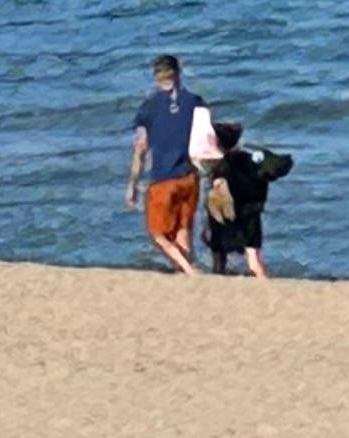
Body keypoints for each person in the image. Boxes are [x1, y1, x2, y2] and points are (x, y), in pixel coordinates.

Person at [124, 51, 204, 277]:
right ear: (179, 73)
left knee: (157, 233)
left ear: (156, 76)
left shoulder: (149, 107)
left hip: (163, 177)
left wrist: (132, 183)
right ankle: (184, 271)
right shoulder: (196, 102)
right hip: (190, 175)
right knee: (183, 229)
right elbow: (206, 139)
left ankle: (189, 270)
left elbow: (140, 147)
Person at [203, 116, 294, 278]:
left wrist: (206, 226)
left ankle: (219, 280)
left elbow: (215, 200)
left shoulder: (219, 168)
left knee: (219, 260)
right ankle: (264, 283)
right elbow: (282, 164)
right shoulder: (251, 160)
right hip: (251, 216)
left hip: (226, 219)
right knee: (254, 260)